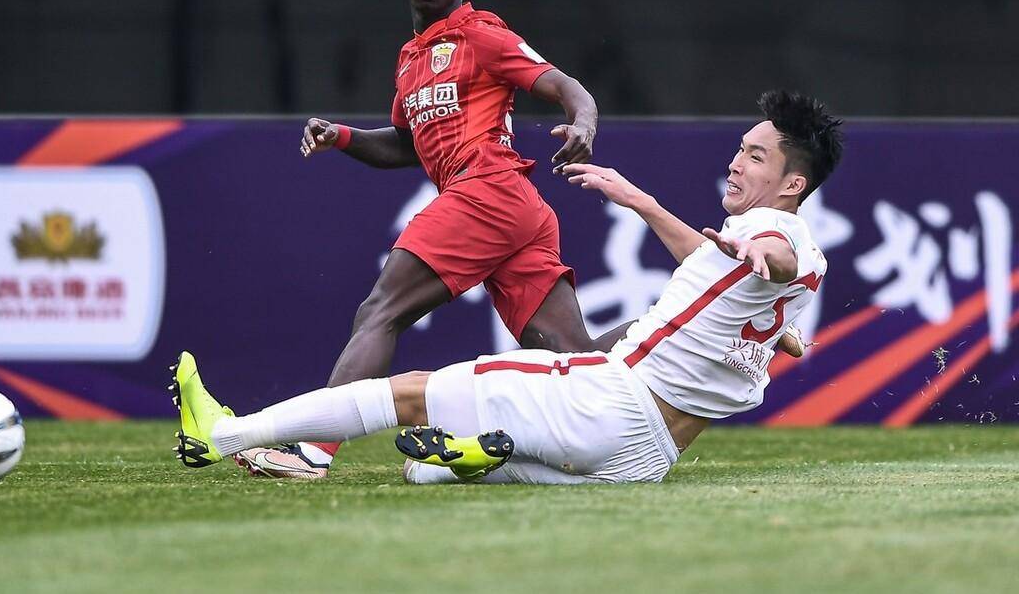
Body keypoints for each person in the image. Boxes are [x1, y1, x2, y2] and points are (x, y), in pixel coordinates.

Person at [173, 91, 843, 484]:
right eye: (741, 146)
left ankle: (225, 433)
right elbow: (724, 265)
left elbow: (774, 253)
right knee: (421, 470)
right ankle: (476, 450)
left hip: (610, 404)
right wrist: (639, 199)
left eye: (755, 155)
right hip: (645, 460)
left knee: (406, 394)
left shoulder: (770, 236)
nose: (736, 160)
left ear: (793, 184)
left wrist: (759, 250)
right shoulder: (785, 265)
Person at [238, 0, 603, 478]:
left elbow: (565, 85)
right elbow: (406, 145)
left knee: (381, 311)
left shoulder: (482, 35)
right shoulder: (411, 60)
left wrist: (582, 124)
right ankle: (663, 360)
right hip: (514, 209)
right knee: (571, 352)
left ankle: (312, 452)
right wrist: (342, 137)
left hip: (486, 190)